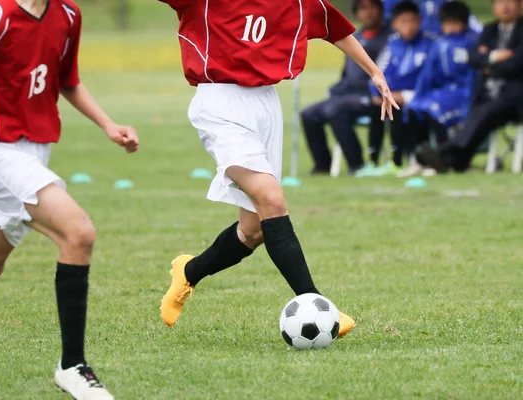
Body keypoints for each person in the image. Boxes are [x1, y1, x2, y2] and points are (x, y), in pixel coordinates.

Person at [0, 0, 139, 399]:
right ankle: (72, 365)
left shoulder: (68, 15)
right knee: (78, 232)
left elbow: (67, 79)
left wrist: (108, 125)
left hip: (36, 152)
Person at [157, 0, 399, 338]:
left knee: (254, 230)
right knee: (272, 199)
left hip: (266, 106)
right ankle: (314, 302)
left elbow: (336, 31)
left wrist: (375, 72)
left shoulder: (299, 3)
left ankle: (189, 272)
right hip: (220, 102)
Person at [417, 0, 523, 172]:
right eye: (500, 2)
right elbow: (473, 58)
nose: (505, 6)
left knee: (484, 111)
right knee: (479, 111)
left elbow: (517, 63)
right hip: (487, 94)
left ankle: (444, 153)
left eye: (509, 1)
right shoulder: (489, 30)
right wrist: (495, 57)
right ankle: (454, 161)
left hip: (515, 99)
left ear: (520, 4)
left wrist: (488, 63)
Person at [301, 0, 391, 175]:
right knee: (309, 114)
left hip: (368, 95)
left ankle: (356, 165)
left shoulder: (389, 38)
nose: (368, 12)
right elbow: (347, 72)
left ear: (380, 10)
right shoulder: (355, 37)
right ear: (356, 13)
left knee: (337, 111)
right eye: (363, 9)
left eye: (372, 7)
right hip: (346, 94)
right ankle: (322, 166)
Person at [404, 0, 477, 173]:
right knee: (414, 109)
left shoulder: (471, 44)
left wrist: (471, 99)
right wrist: (419, 95)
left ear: (464, 24)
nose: (450, 28)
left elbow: (474, 77)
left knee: (435, 110)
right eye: (447, 23)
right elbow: (428, 74)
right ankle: (420, 157)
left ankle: (441, 160)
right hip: (440, 92)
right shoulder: (438, 45)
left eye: (455, 23)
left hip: (462, 94)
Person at [365, 0, 436, 175]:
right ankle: (373, 161)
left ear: (419, 21)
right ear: (395, 24)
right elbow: (378, 72)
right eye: (404, 21)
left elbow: (430, 77)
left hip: (421, 95)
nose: (409, 26)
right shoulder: (392, 45)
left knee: (395, 106)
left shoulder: (430, 45)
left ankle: (398, 160)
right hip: (394, 95)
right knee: (378, 104)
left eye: (412, 20)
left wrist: (403, 95)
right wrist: (380, 92)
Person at [383, 0, 483, 35]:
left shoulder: (443, 2)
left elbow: (472, 24)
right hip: (405, 45)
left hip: (439, 47)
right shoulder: (391, 2)